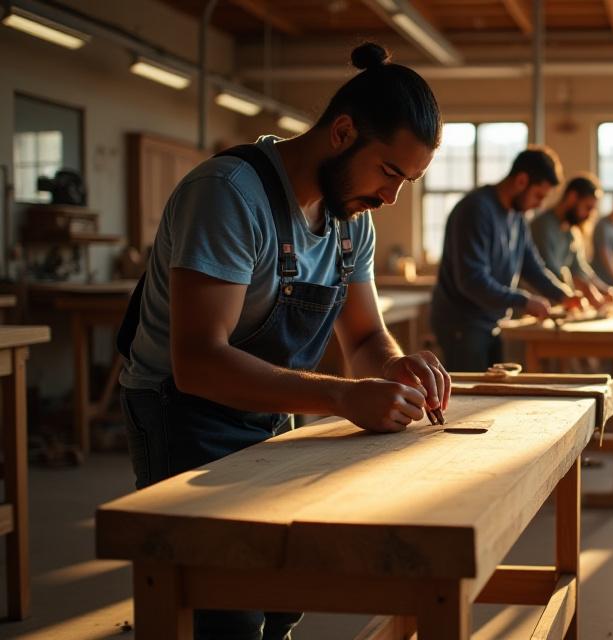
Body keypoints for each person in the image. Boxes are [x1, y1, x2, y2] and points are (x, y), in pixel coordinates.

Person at [116, 42, 451, 639]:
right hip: (184, 414)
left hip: (271, 412)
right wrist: (346, 398)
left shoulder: (352, 222)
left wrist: (396, 368)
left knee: (282, 594)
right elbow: (198, 363)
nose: (390, 197)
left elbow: (369, 335)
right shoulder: (229, 195)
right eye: (390, 173)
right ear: (343, 132)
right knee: (226, 609)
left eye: (409, 181)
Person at [430, 147, 581, 371]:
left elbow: (532, 267)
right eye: (538, 195)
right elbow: (472, 280)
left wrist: (562, 295)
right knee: (471, 401)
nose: (539, 205)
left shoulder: (518, 218)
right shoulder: (476, 210)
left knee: (493, 395)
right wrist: (524, 301)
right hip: (463, 324)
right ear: (521, 181)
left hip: (492, 321)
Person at [530, 174, 613, 307]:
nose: (589, 215)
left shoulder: (571, 233)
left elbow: (580, 269)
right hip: (539, 306)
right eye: (588, 208)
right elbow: (549, 271)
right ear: (572, 197)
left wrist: (605, 290)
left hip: (561, 304)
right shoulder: (543, 226)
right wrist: (583, 288)